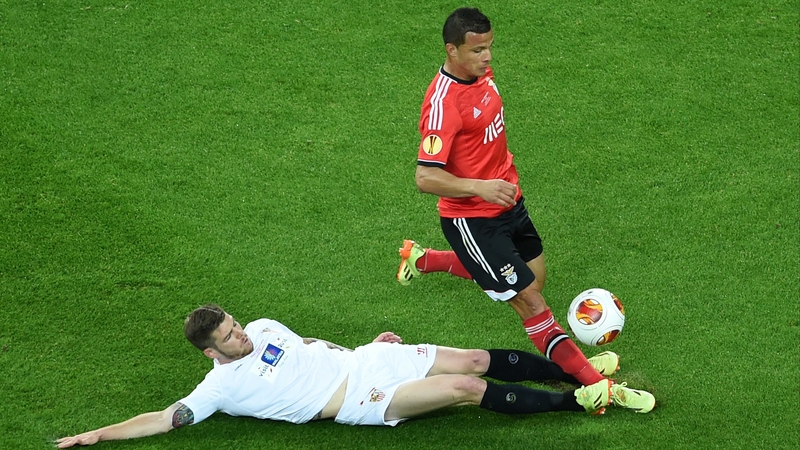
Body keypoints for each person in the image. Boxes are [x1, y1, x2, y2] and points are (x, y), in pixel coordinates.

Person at [397, 7, 625, 389]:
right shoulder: (442, 106)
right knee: (530, 303)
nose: (487, 57)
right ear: (452, 50)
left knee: (533, 280)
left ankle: (425, 259)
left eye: (489, 47)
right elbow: (425, 177)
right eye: (477, 51)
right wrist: (478, 186)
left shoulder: (481, 74)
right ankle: (592, 383)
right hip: (473, 220)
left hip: (508, 200)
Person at [56, 304, 655, 448]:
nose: (242, 335)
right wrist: (98, 435)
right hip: (359, 398)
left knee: (475, 358)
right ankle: (585, 401)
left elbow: (313, 344)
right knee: (467, 390)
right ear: (210, 353)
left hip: (365, 361)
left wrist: (365, 344)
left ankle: (575, 368)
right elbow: (165, 419)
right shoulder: (218, 389)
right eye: (229, 338)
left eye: (237, 326)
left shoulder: (264, 326)